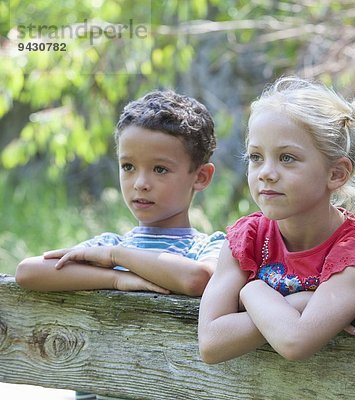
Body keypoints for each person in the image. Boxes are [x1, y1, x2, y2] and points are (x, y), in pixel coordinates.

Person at [197, 76, 355, 363]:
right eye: (256, 157)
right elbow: (211, 343)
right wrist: (293, 302)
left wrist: (251, 291)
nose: (266, 173)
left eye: (287, 158)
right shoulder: (248, 237)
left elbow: (295, 341)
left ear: (336, 174)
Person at [16, 90, 225, 297]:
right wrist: (116, 279)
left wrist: (115, 257)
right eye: (128, 167)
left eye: (160, 169)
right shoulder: (108, 243)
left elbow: (197, 280)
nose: (140, 184)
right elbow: (28, 272)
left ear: (201, 177)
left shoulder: (209, 247)